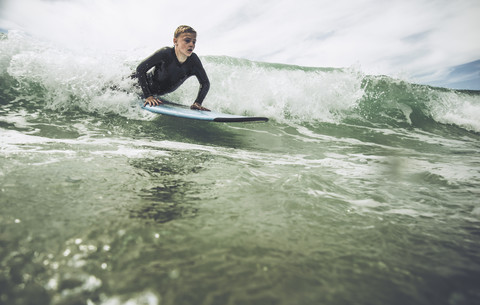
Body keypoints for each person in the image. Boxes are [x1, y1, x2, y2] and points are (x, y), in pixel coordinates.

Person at [136, 25, 210, 111]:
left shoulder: (193, 61)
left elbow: (205, 83)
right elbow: (140, 69)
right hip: (135, 85)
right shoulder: (165, 53)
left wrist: (197, 103)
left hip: (153, 92)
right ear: (175, 41)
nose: (191, 45)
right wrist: (148, 96)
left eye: (194, 42)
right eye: (187, 40)